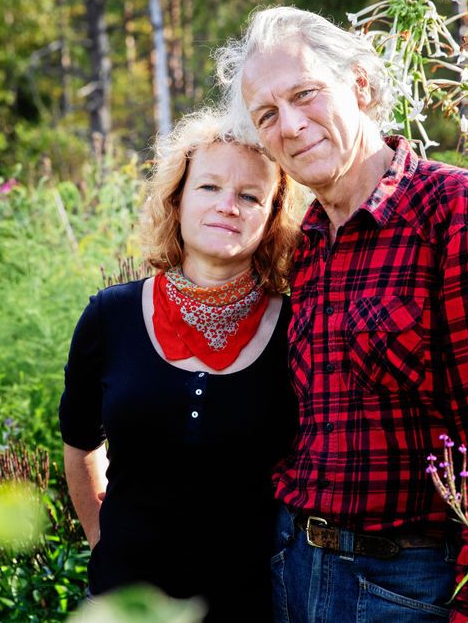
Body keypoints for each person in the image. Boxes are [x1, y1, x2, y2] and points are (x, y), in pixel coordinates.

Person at [214, 7, 468, 622]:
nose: (290, 125)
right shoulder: (306, 241)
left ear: (361, 87)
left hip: (407, 583)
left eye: (305, 94)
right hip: (293, 566)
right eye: (267, 115)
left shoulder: (457, 211)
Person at [59, 109, 299, 620]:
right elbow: (79, 443)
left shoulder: (297, 327)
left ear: (273, 214)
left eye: (250, 195)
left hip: (251, 606)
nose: (227, 206)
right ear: (178, 198)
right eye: (209, 187)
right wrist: (105, 541)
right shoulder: (111, 315)